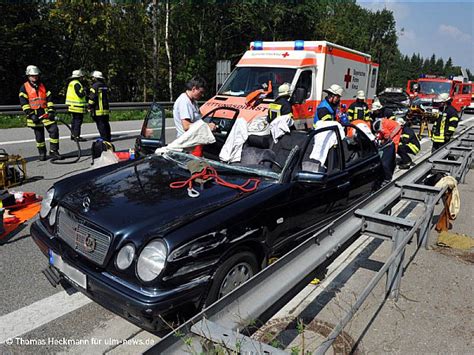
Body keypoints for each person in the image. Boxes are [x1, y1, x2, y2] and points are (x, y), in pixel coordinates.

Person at [18, 65, 61, 161]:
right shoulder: (24, 87)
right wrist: (31, 115)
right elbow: (24, 103)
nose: (35, 77)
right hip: (34, 116)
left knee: (54, 131)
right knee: (39, 136)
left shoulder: (43, 85)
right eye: (33, 75)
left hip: (46, 114)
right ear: (28, 76)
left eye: (36, 75)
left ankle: (54, 151)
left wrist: (50, 110)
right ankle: (42, 153)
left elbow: (49, 98)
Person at [173, 76, 216, 156]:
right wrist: (207, 126)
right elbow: (186, 126)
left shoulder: (193, 101)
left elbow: (199, 118)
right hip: (187, 145)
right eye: (201, 92)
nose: (202, 95)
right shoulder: (184, 101)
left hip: (193, 142)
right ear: (193, 89)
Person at [373, 118, 403, 183]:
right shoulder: (381, 124)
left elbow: (387, 136)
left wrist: (383, 141)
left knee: (393, 145)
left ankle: (392, 162)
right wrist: (378, 138)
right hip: (394, 128)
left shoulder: (383, 127)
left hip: (396, 129)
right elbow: (381, 134)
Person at [88, 70, 111, 142]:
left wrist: (89, 106)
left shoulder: (94, 86)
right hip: (105, 108)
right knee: (106, 123)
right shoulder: (105, 86)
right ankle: (108, 137)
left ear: (95, 78)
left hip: (98, 109)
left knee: (100, 124)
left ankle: (104, 138)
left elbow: (92, 98)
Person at [65, 69, 88, 142]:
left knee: (74, 121)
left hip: (71, 105)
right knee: (78, 121)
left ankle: (73, 135)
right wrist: (85, 91)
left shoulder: (71, 83)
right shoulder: (77, 84)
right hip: (77, 106)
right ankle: (77, 136)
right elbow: (80, 95)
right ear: (79, 77)